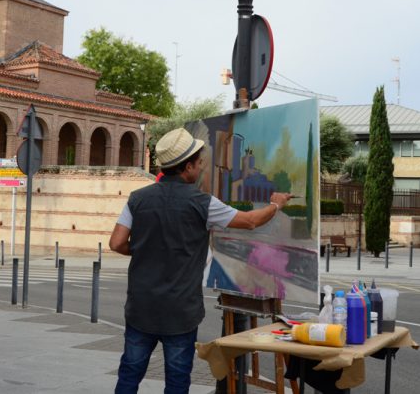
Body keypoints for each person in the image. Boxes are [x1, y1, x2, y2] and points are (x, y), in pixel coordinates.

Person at [109, 128, 292, 393]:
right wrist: (276, 204)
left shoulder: (137, 199)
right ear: (187, 167)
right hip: (181, 311)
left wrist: (144, 249)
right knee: (177, 381)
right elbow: (250, 221)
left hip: (141, 307)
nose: (202, 166)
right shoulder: (203, 203)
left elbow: (116, 242)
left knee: (129, 375)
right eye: (199, 162)